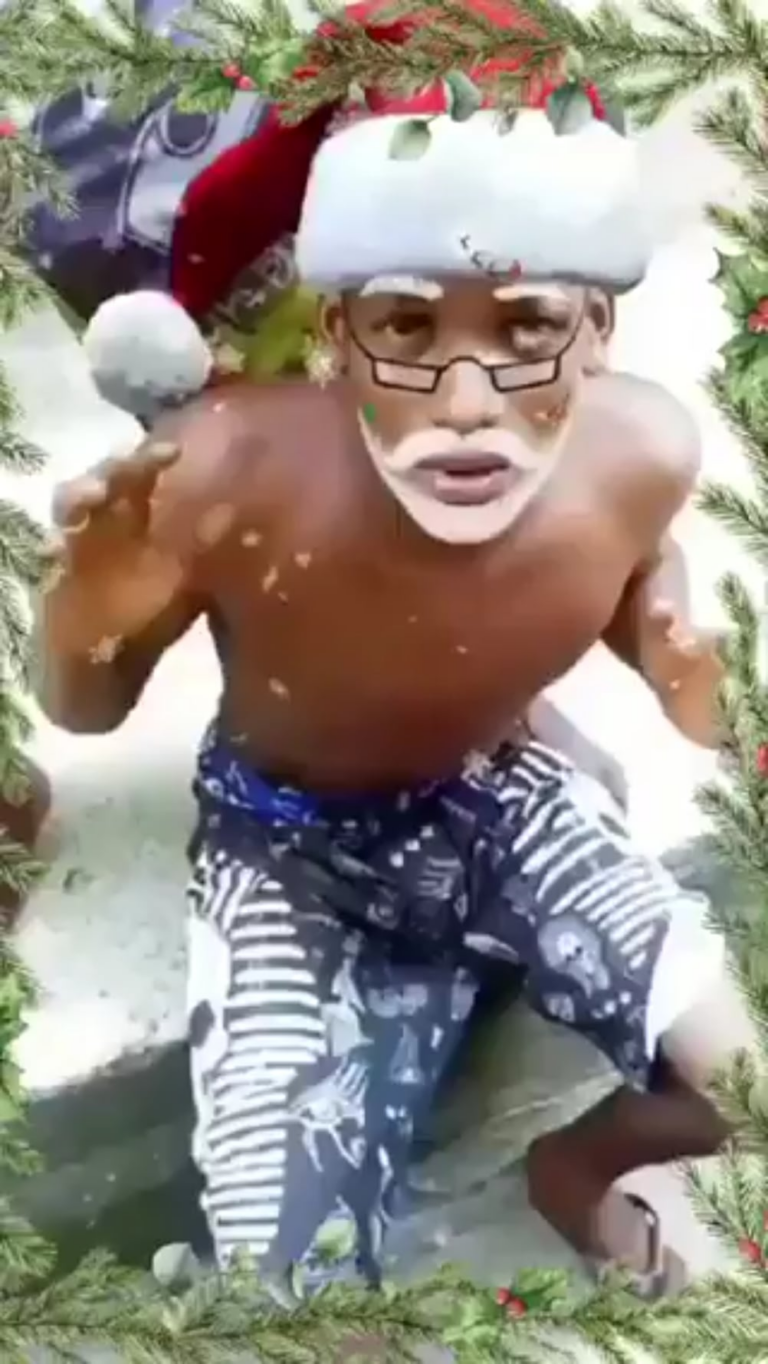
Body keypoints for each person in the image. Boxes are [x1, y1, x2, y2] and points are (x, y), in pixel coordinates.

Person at [36, 5, 752, 1299]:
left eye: (527, 327)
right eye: (409, 330)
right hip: (290, 852)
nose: (467, 402)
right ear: (333, 331)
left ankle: (579, 1169)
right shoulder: (229, 468)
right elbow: (82, 707)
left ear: (598, 331)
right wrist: (93, 603)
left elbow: (665, 644)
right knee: (284, 1292)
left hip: (502, 801)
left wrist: (699, 677)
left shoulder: (635, 453)